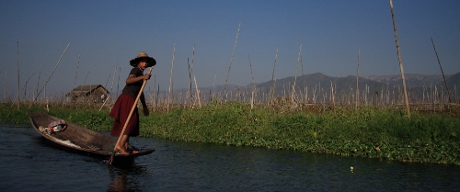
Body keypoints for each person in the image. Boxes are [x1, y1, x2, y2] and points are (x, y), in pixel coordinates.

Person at [109, 51, 156, 155]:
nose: (145, 64)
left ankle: (125, 147)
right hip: (127, 98)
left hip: (132, 99)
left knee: (131, 121)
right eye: (143, 62)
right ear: (138, 62)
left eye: (146, 62)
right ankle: (120, 145)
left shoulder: (141, 73)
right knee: (130, 121)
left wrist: (144, 106)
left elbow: (140, 92)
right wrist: (143, 77)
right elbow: (128, 80)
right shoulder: (136, 70)